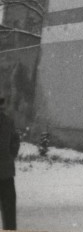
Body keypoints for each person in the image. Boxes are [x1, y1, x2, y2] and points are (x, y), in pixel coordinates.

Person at [0, 97, 19, 230]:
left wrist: (10, 155)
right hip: (6, 173)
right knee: (9, 213)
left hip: (5, 172)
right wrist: (10, 155)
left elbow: (15, 141)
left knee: (9, 212)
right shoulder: (9, 122)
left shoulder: (8, 122)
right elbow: (15, 142)